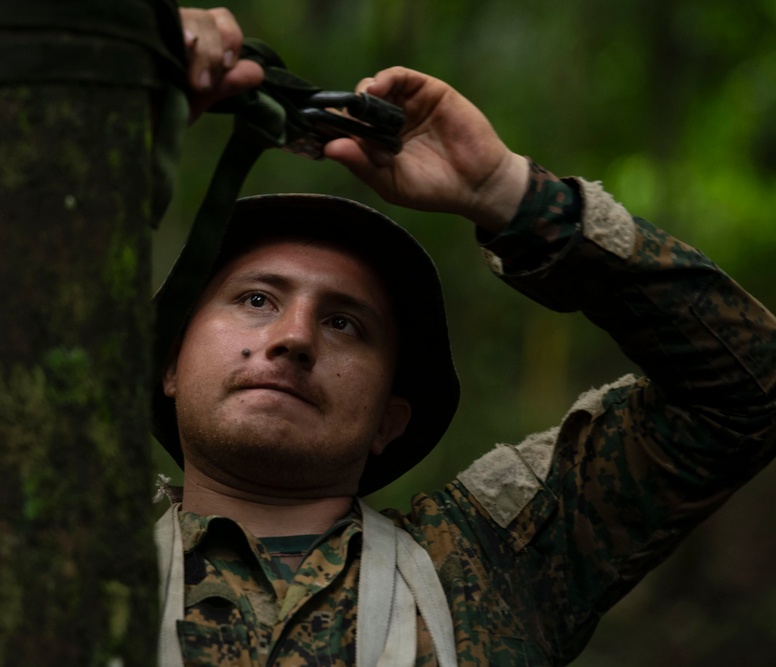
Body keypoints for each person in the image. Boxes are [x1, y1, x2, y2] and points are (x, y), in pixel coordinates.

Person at [154, 18, 776, 667]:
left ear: (389, 419)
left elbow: (746, 390)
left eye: (345, 324)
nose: (294, 338)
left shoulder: (491, 560)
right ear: (169, 360)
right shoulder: (66, 533)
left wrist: (507, 194)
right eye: (257, 299)